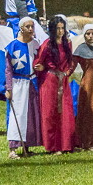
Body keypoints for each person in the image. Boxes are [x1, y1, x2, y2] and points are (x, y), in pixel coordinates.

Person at [34, 16, 76, 154]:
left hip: (62, 81)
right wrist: (41, 68)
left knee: (65, 112)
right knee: (50, 113)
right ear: (53, 29)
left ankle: (65, 144)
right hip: (50, 81)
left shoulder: (67, 44)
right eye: (57, 28)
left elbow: (70, 63)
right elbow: (38, 62)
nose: (60, 31)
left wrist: (67, 73)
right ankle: (52, 146)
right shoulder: (47, 45)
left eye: (62, 28)